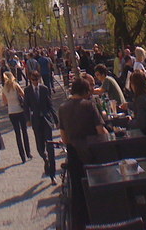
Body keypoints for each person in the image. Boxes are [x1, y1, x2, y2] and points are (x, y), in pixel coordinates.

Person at [58, 77, 108, 227]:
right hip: (91, 152)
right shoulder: (89, 106)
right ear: (85, 92)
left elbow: (64, 137)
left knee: (78, 192)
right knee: (97, 187)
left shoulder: (62, 108)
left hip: (74, 153)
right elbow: (101, 131)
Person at [23, 70, 58, 185]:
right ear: (30, 80)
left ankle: (53, 175)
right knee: (39, 146)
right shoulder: (27, 91)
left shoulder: (44, 89)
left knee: (50, 145)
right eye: (33, 79)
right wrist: (28, 119)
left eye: (36, 79)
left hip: (46, 120)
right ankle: (45, 158)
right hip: (36, 121)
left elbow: (50, 104)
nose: (35, 82)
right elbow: (26, 106)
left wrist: (56, 120)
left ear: (39, 79)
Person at [2, 72, 32, 163]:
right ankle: (28, 152)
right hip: (20, 110)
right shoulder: (16, 86)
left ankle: (22, 155)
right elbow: (24, 95)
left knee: (17, 134)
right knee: (24, 132)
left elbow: (5, 102)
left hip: (11, 112)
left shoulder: (4, 89)